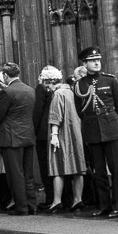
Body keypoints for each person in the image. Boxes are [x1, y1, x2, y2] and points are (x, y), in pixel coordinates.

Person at [73, 46, 118, 218]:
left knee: (116, 169)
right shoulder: (80, 85)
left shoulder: (110, 80)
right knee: (99, 171)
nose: (96, 63)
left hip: (110, 129)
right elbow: (80, 110)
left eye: (98, 60)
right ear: (84, 63)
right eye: (92, 61)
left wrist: (111, 122)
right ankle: (104, 205)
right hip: (92, 130)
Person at [0, 62, 37, 215]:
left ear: (5, 75)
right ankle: (32, 205)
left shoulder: (7, 92)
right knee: (27, 173)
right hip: (28, 135)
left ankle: (21, 207)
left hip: (12, 137)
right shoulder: (30, 90)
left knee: (15, 174)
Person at [47, 70, 86, 212]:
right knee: (78, 166)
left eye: (47, 85)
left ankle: (56, 201)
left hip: (63, 134)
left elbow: (56, 116)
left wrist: (54, 134)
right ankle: (78, 199)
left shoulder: (58, 94)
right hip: (77, 133)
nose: (47, 88)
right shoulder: (73, 91)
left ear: (51, 82)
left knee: (58, 167)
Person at [33, 66, 59, 208]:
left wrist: (33, 129)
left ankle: (49, 198)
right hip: (55, 130)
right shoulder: (58, 89)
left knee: (45, 167)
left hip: (43, 133)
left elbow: (37, 110)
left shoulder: (41, 89)